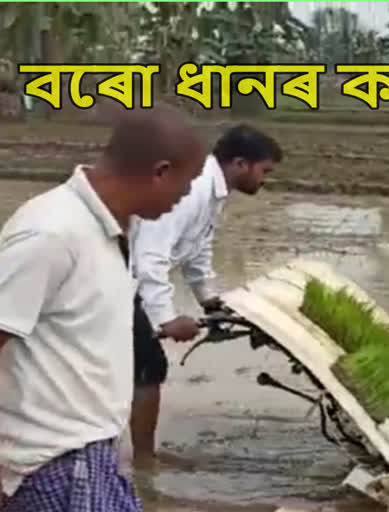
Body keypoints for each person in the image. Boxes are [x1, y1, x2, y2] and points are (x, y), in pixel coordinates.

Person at [0, 110, 206, 512]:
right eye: (186, 185)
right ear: (161, 172)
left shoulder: (106, 229)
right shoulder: (52, 233)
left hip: (90, 454)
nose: (185, 198)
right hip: (53, 465)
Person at [129, 123, 283, 464]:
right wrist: (165, 320)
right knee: (148, 369)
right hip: (116, 279)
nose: (265, 179)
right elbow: (150, 256)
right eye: (264, 171)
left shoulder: (214, 190)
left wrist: (210, 301)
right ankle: (141, 460)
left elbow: (196, 250)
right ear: (240, 163)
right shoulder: (193, 188)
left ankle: (138, 453)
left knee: (138, 368)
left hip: (131, 280)